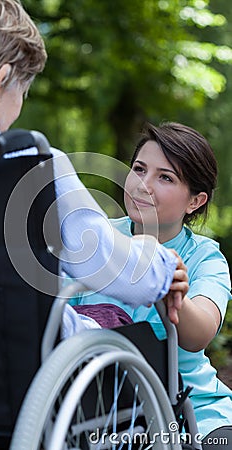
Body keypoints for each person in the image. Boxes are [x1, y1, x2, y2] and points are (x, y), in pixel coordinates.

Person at [0, 0, 188, 315]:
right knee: (115, 322)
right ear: (1, 82)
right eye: (22, 91)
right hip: (10, 354)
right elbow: (113, 266)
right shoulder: (32, 166)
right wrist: (159, 261)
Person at [70, 121, 232, 448]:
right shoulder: (97, 239)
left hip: (191, 413)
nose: (143, 185)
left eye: (165, 177)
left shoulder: (204, 258)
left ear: (195, 201)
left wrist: (172, 291)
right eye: (139, 169)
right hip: (100, 410)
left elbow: (199, 333)